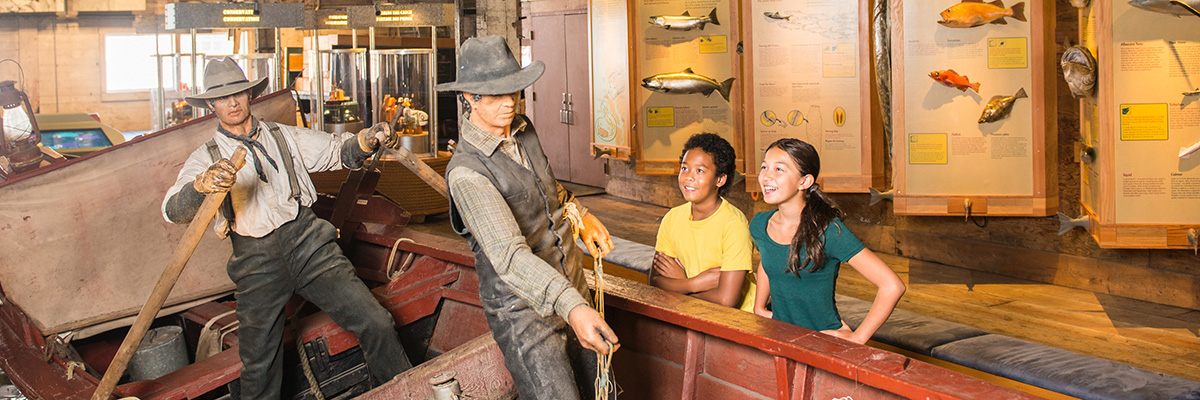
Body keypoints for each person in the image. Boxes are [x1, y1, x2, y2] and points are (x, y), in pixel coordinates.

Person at [160, 57, 411, 398]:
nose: (232, 103)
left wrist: (368, 139)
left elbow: (338, 152)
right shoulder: (206, 157)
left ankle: (406, 392)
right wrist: (202, 185)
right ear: (210, 105)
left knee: (376, 322)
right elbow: (173, 210)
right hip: (257, 262)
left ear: (250, 96)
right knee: (259, 363)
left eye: (238, 94)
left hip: (309, 245)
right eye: (222, 98)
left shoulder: (284, 136)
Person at [438, 35, 618, 400]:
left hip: (572, 292)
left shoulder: (524, 131)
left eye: (515, 92)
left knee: (606, 394)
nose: (510, 103)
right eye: (497, 95)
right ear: (469, 98)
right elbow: (510, 258)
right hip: (524, 314)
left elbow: (552, 192)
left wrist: (581, 215)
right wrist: (574, 308)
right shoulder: (467, 174)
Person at [751, 138, 905, 344]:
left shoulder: (828, 231)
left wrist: (858, 337)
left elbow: (892, 285)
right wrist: (759, 307)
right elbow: (768, 259)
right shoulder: (759, 224)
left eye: (779, 169)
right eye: (764, 167)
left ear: (804, 182)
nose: (766, 176)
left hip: (823, 341)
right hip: (780, 336)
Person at [650, 133, 756, 311]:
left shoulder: (734, 226)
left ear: (720, 179)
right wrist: (693, 284)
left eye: (699, 171)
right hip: (690, 312)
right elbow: (655, 282)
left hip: (736, 321)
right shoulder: (672, 218)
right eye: (684, 168)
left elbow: (725, 300)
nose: (689, 177)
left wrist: (679, 285)